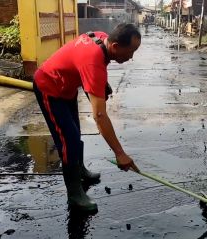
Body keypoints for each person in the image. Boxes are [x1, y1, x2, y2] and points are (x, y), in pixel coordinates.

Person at [33, 23, 141, 213]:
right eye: (130, 52)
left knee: (75, 131)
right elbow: (100, 116)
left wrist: (100, 83)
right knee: (69, 140)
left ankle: (79, 170)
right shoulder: (94, 61)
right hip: (49, 87)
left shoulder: (101, 39)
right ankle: (74, 194)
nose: (131, 57)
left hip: (66, 88)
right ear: (115, 47)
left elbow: (81, 63)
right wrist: (120, 153)